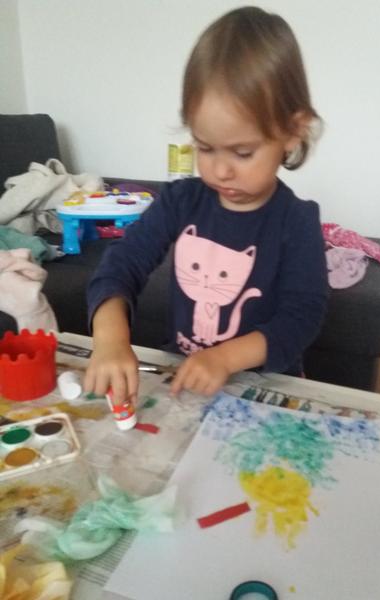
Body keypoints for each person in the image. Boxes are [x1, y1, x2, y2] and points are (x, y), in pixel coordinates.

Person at [84, 6, 328, 405]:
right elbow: (122, 263)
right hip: (186, 382)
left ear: (292, 132)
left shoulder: (296, 221)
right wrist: (110, 337)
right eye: (205, 147)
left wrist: (225, 358)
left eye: (242, 152)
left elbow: (302, 318)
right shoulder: (179, 202)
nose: (220, 170)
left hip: (264, 390)